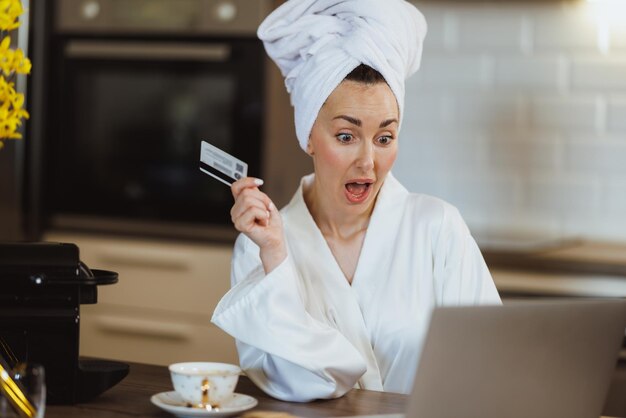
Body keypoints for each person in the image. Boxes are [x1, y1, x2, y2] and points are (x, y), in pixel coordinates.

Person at [211, 0, 501, 402]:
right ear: (309, 136)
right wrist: (277, 255)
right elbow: (292, 383)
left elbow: (492, 367)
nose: (368, 161)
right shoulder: (259, 245)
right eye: (346, 136)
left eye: (385, 138)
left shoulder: (438, 228)